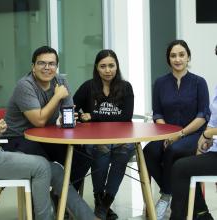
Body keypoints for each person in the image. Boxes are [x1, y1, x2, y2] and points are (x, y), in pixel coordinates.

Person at [0, 45, 96, 219]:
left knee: (82, 156)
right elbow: (39, 120)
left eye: (51, 64)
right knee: (48, 167)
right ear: (33, 67)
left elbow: (67, 111)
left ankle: (60, 199)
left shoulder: (61, 81)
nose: (47, 67)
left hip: (46, 138)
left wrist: (68, 118)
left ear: (56, 67)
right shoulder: (25, 85)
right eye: (41, 63)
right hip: (18, 139)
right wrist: (57, 96)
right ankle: (52, 204)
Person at [143, 40, 210, 220]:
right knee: (148, 151)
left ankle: (165, 194)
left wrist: (179, 134)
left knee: (174, 150)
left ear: (188, 57)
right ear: (168, 59)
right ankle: (171, 190)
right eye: (173, 55)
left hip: (193, 134)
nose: (177, 59)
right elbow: (157, 112)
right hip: (166, 133)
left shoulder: (199, 82)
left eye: (181, 55)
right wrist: (167, 133)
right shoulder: (160, 83)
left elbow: (203, 115)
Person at [73, 49, 135, 220]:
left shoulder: (125, 87)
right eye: (103, 66)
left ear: (117, 67)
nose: (108, 70)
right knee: (102, 150)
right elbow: (71, 107)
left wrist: (93, 116)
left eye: (111, 66)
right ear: (97, 68)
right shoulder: (88, 87)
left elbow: (126, 116)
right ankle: (99, 198)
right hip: (95, 140)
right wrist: (77, 119)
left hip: (122, 139)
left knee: (122, 152)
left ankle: (106, 202)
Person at [0, 118, 99, 220]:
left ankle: (89, 217)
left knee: (56, 170)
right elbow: (39, 120)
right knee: (42, 166)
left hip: (1, 152)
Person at [169, 47, 217, 220]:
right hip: (214, 150)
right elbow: (212, 120)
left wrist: (208, 134)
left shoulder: (198, 82)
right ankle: (201, 214)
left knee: (180, 167)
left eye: (181, 55)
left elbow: (207, 124)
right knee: (180, 161)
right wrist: (206, 141)